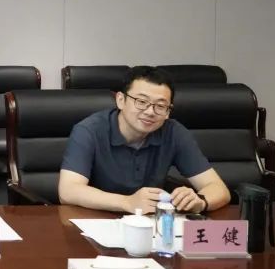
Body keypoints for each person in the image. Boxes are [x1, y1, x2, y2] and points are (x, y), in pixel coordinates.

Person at [59, 65, 231, 214]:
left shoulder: (174, 132)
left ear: (168, 111)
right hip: (96, 220)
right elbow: (68, 191)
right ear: (121, 100)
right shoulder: (89, 130)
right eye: (141, 102)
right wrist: (127, 202)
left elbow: (219, 189)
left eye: (160, 106)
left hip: (150, 225)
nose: (150, 112)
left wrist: (200, 201)